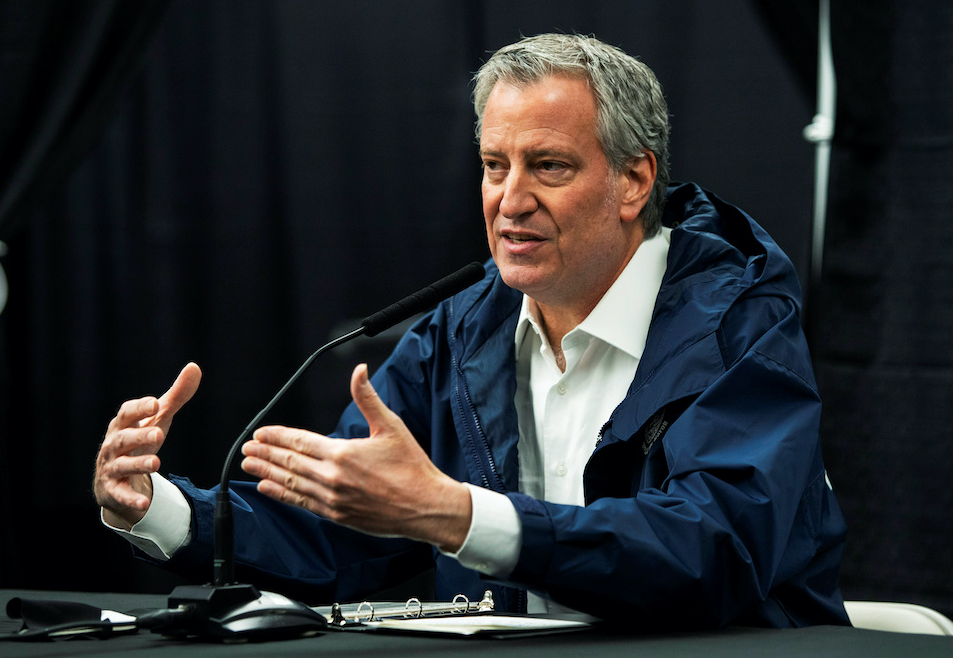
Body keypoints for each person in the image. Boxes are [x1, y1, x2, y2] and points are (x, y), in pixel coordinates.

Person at [94, 33, 848, 630]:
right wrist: (163, 507)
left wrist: (459, 517)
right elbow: (340, 533)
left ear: (635, 181)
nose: (509, 199)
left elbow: (713, 546)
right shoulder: (461, 329)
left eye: (547, 165)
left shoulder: (739, 320)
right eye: (494, 164)